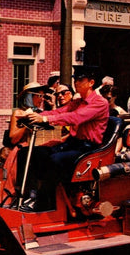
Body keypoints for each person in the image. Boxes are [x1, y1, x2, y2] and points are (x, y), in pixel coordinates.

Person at [16, 66, 109, 212]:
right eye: (75, 80)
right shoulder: (77, 102)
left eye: (80, 80)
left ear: (91, 82)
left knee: (55, 160)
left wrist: (45, 118)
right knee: (27, 153)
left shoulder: (100, 103)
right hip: (73, 144)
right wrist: (31, 116)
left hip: (89, 148)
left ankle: (45, 204)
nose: (76, 83)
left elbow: (75, 117)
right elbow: (60, 111)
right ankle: (26, 195)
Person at [1, 82, 47, 201]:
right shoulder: (18, 113)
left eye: (43, 96)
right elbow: (13, 138)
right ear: (29, 97)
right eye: (39, 96)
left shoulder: (41, 114)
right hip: (22, 151)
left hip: (37, 150)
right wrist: (26, 124)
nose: (41, 100)